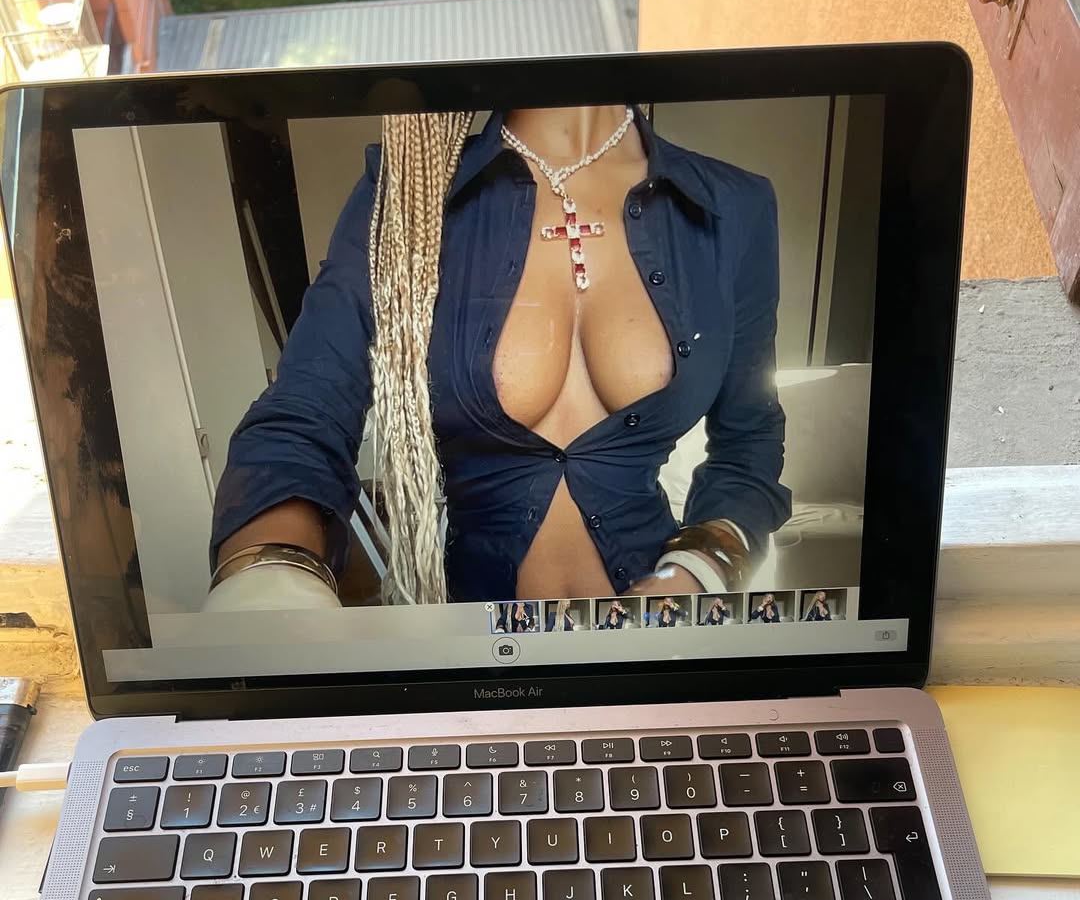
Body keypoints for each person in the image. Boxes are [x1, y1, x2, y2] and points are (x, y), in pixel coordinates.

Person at [207, 104, 789, 610]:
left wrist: (692, 574)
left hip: (654, 651)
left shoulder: (733, 207)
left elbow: (749, 443)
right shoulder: (406, 196)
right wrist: (268, 591)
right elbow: (304, 418)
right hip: (482, 664)